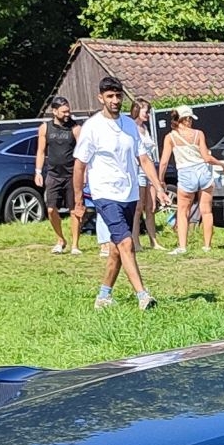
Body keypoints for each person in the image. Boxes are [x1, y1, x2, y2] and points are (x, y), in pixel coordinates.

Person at [70, 75, 163, 311]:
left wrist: (159, 188)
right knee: (126, 242)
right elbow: (79, 166)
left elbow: (143, 158)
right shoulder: (92, 127)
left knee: (117, 248)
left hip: (129, 193)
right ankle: (143, 296)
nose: (115, 100)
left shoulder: (130, 125)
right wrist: (79, 200)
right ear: (100, 98)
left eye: (118, 96)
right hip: (105, 193)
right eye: (110, 96)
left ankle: (103, 295)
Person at [161, 106, 223, 254]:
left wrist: (160, 180)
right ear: (187, 119)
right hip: (202, 170)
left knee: (183, 211)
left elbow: (164, 161)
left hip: (185, 172)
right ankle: (207, 245)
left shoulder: (171, 137)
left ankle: (182, 246)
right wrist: (221, 164)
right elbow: (206, 157)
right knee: (206, 211)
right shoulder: (198, 134)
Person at [33, 96, 80, 254]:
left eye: (69, 111)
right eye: (64, 111)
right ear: (54, 111)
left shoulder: (75, 128)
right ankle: (60, 239)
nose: (67, 114)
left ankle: (75, 245)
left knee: (74, 210)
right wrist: (38, 172)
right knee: (51, 209)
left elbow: (82, 152)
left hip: (71, 174)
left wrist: (83, 173)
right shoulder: (45, 128)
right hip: (53, 174)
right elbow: (40, 151)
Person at [131, 98, 163, 248]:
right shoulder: (132, 128)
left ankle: (153, 241)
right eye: (146, 111)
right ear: (137, 110)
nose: (148, 114)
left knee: (151, 207)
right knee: (138, 208)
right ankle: (135, 241)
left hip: (149, 170)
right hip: (138, 170)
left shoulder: (145, 128)